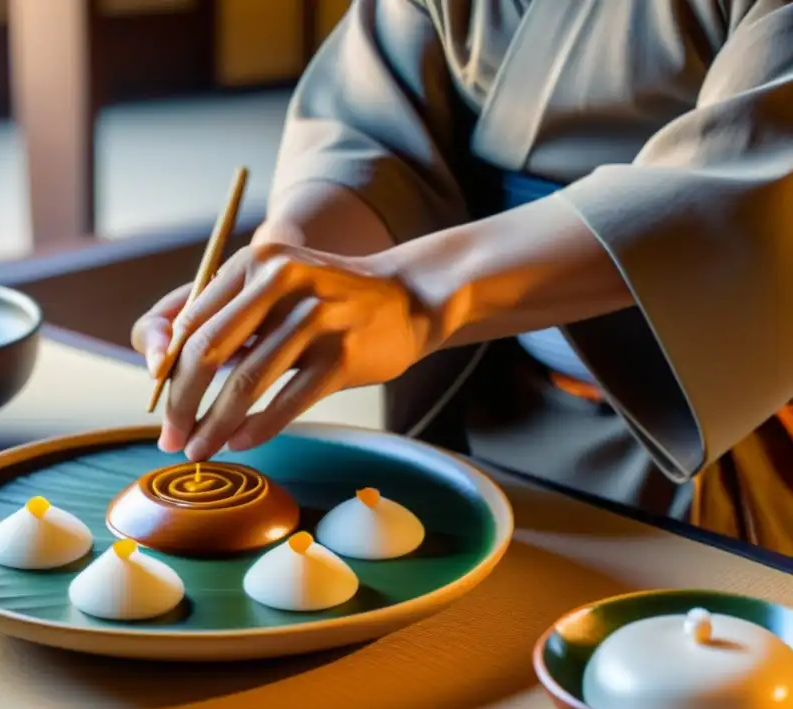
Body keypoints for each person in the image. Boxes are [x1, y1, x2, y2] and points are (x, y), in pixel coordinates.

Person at [131, 0, 793, 556]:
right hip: (488, 393)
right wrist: (298, 264)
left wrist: (417, 293)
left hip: (715, 435)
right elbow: (372, 126)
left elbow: (748, 185)